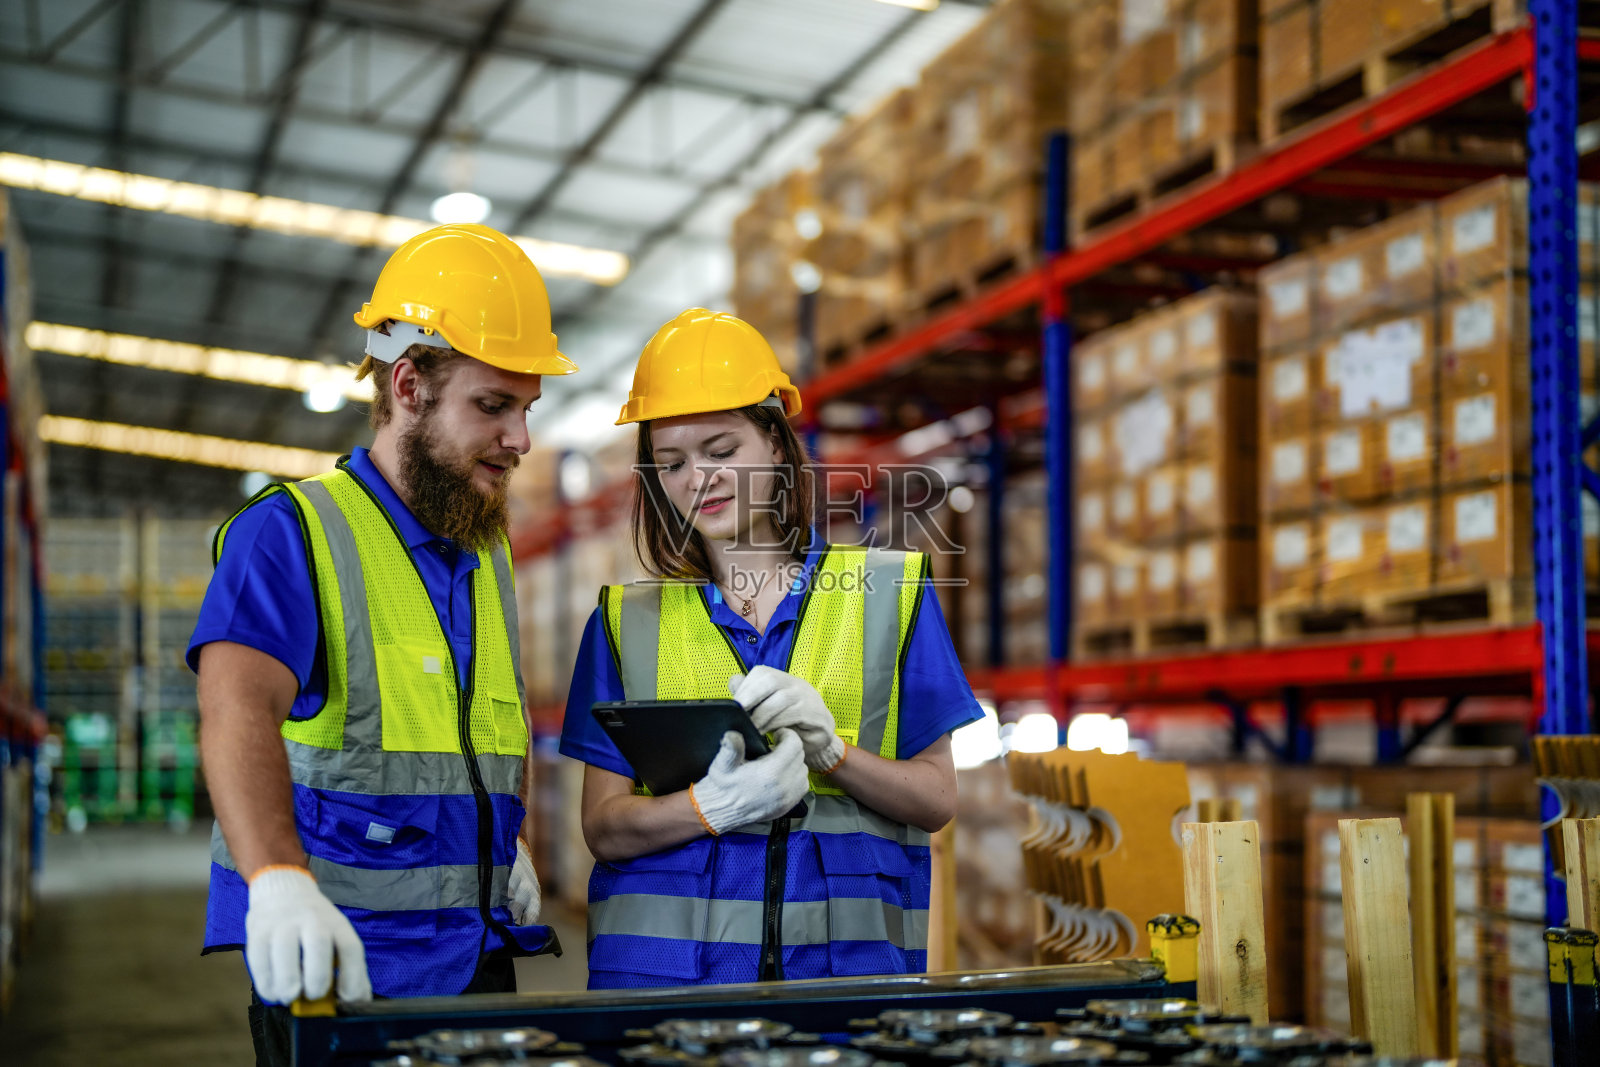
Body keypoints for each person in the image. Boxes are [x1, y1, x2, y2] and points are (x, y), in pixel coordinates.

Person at [189, 223, 571, 1064]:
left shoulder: (485, 550)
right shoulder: (294, 531)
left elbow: (493, 717)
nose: (521, 439)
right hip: (344, 969)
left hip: (476, 953)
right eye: (493, 406)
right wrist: (276, 878)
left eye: (527, 409)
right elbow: (235, 709)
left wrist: (510, 838)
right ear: (409, 385)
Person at [559, 308, 983, 988]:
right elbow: (603, 827)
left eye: (722, 451)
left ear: (778, 446)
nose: (698, 478)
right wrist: (709, 808)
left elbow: (936, 797)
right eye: (672, 463)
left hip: (839, 992)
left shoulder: (887, 595)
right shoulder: (623, 623)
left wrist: (832, 752)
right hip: (667, 994)